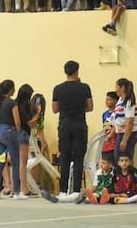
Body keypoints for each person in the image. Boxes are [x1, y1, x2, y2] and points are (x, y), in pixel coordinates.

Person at [51, 60, 93, 197]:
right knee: (78, 158)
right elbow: (90, 107)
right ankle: (76, 190)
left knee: (65, 158)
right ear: (77, 71)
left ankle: (63, 190)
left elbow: (55, 109)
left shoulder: (58, 88)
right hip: (79, 124)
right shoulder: (84, 87)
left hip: (64, 125)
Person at [0, 80, 23, 199]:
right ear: (10, 90)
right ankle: (16, 192)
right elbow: (17, 121)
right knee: (15, 162)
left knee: (0, 162)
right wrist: (18, 133)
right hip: (9, 133)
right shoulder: (12, 103)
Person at [113, 78, 137, 164]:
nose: (115, 89)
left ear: (122, 88)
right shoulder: (120, 101)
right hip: (121, 133)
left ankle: (128, 177)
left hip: (128, 134)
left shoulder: (128, 102)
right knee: (118, 159)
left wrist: (124, 140)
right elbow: (118, 119)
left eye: (116, 87)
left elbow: (130, 122)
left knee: (124, 161)